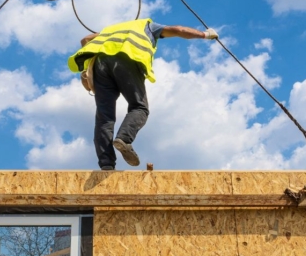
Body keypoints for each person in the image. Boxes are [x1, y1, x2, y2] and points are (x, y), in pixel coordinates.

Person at [68, 19, 218, 170]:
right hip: (126, 59)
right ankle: (124, 138)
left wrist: (87, 68)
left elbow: (85, 39)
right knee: (140, 107)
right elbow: (178, 29)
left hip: (100, 65)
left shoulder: (110, 30)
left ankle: (106, 164)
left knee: (104, 118)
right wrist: (206, 34)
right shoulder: (147, 26)